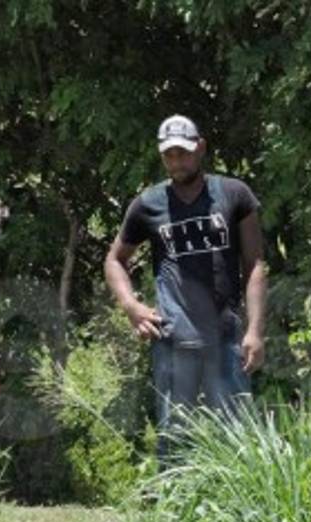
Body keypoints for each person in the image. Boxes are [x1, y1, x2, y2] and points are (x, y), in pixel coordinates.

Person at [104, 114, 268, 445]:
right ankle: (174, 498)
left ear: (201, 148)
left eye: (183, 152)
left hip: (226, 337)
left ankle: (235, 499)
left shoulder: (234, 195)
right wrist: (131, 306)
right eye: (169, 155)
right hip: (173, 339)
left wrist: (254, 331)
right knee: (175, 439)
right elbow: (115, 260)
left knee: (237, 440)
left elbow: (255, 265)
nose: (176, 161)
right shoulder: (148, 205)